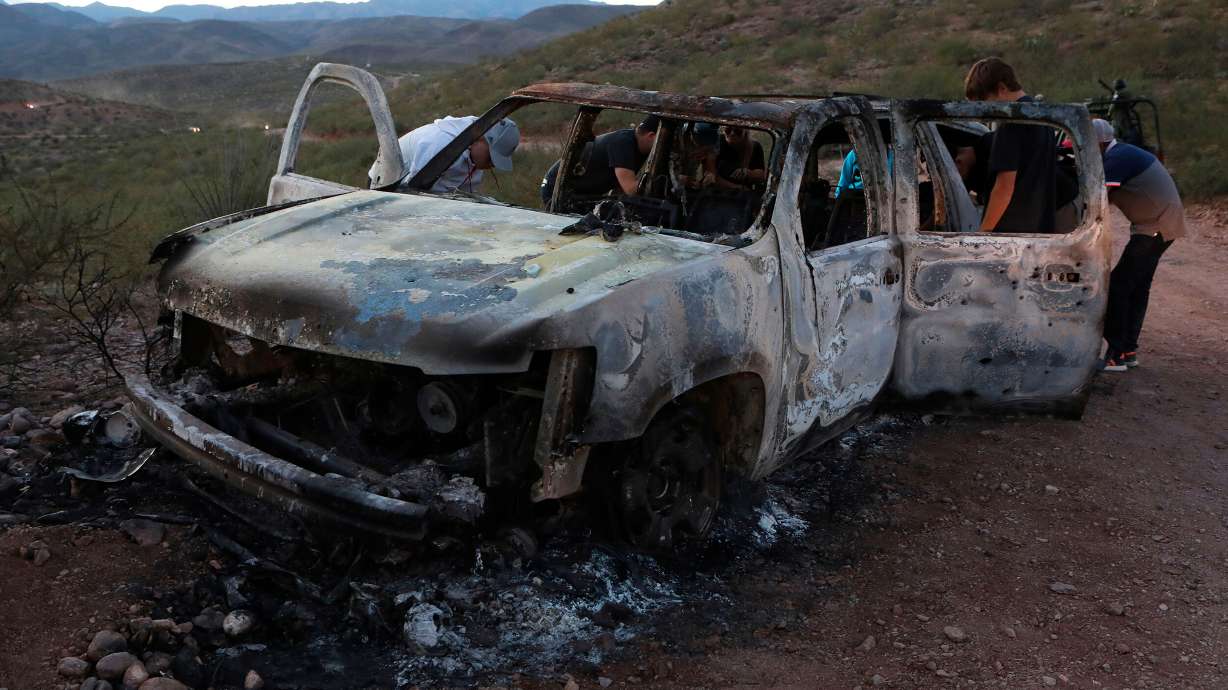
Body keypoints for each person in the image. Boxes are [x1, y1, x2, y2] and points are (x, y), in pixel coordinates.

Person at [1092, 118, 1187, 372]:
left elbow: (1098, 200)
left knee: (1119, 286)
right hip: (1160, 222)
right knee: (1137, 287)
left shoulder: (1116, 159)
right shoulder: (1123, 153)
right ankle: (1127, 350)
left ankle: (1115, 356)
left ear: (1099, 144)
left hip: (1155, 225)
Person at [964, 57, 1057, 233]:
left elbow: (1004, 187)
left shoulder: (1011, 124)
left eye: (984, 105)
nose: (984, 114)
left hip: (1009, 235)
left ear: (1001, 88)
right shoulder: (1044, 118)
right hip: (1039, 228)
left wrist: (983, 233)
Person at [369, 115, 519, 194]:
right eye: (490, 158)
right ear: (481, 138)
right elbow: (414, 190)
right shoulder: (441, 142)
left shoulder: (473, 153)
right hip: (384, 184)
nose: (491, 164)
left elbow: (465, 194)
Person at [539, 115, 659, 207]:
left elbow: (621, 190)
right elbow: (631, 189)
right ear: (651, 136)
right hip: (557, 189)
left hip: (583, 193)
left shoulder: (640, 147)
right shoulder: (624, 143)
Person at [715, 125, 766, 190]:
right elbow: (712, 174)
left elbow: (761, 176)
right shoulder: (719, 142)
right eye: (728, 130)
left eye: (738, 131)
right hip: (719, 190)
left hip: (744, 193)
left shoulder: (755, 147)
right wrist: (737, 187)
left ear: (745, 132)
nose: (732, 133)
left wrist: (748, 173)